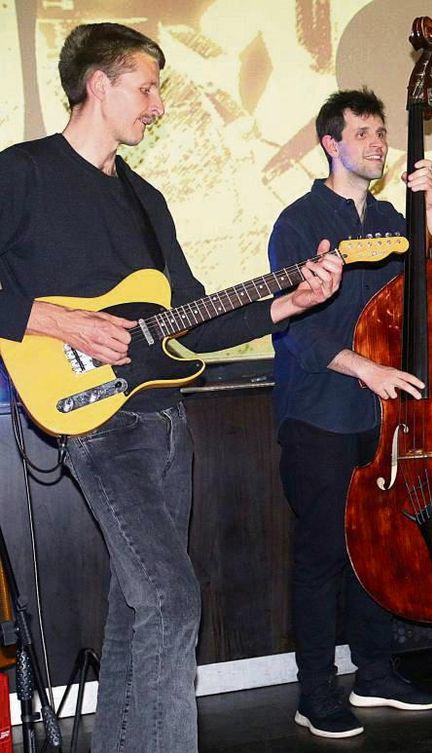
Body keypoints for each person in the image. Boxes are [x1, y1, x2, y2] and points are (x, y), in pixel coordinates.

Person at [0, 23, 344, 753]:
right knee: (170, 595)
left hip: (164, 426)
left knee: (139, 606)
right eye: (147, 87)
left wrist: (292, 301)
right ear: (99, 84)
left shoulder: (146, 199)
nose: (158, 105)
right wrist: (56, 319)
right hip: (94, 426)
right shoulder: (22, 172)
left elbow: (192, 320)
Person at [269, 87, 432, 738]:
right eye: (364, 132)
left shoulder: (392, 217)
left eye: (383, 132)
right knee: (322, 554)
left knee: (379, 549)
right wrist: (367, 368)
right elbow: (299, 331)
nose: (379, 142)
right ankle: (314, 691)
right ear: (331, 143)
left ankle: (376, 671)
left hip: (385, 415)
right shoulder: (297, 221)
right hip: (320, 409)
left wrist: (431, 211)